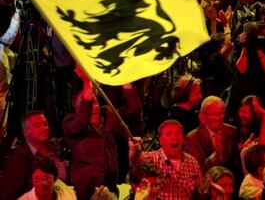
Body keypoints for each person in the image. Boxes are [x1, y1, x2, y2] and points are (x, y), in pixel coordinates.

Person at [63, 68, 140, 200]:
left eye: (94, 102)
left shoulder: (109, 115)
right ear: (76, 109)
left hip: (112, 185)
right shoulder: (70, 123)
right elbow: (81, 120)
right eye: (85, 105)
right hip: (87, 190)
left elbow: (133, 110)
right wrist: (87, 83)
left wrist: (125, 80)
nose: (92, 106)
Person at [0, 111, 67, 200]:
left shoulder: (53, 148)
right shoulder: (18, 160)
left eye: (45, 124)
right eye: (37, 126)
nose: (44, 128)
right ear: (25, 131)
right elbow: (8, 195)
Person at [129, 119, 202, 199]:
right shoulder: (150, 158)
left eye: (178, 133)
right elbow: (134, 160)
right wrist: (134, 149)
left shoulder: (192, 162)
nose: (174, 137)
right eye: (169, 134)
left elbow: (198, 192)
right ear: (160, 140)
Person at [185, 96, 239, 173]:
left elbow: (235, 164)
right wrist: (215, 155)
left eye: (220, 114)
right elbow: (197, 170)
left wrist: (243, 152)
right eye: (213, 114)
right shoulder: (192, 138)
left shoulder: (232, 131)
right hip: (206, 181)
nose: (217, 118)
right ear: (204, 115)